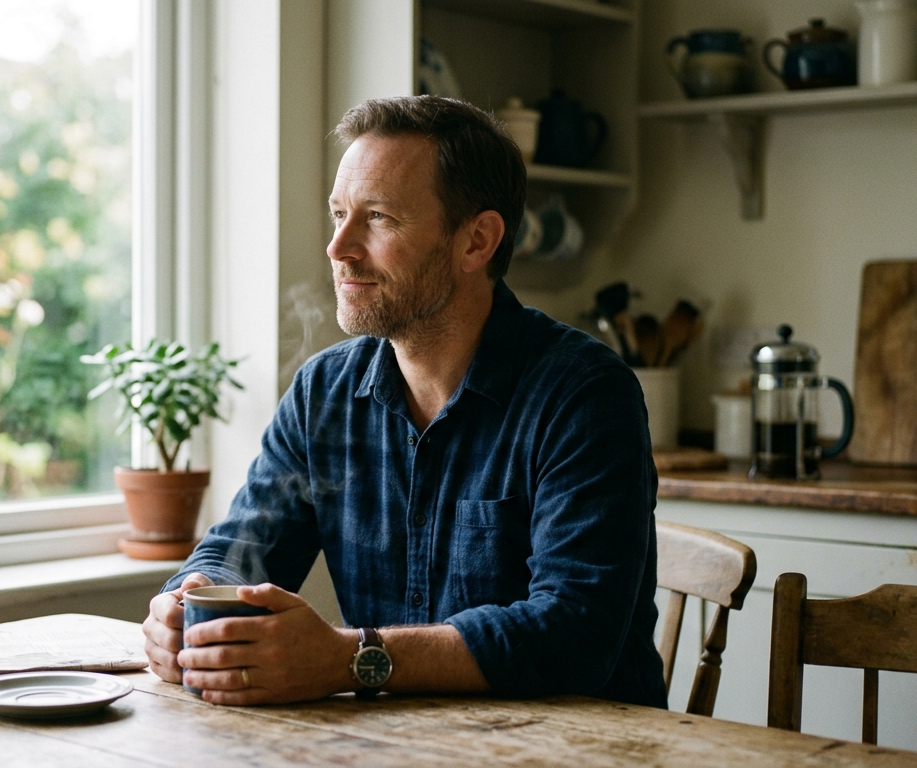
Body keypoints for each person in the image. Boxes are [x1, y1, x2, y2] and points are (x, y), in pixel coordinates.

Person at [142, 95, 665, 708]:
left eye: (379, 218)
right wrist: (186, 601)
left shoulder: (583, 392)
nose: (339, 248)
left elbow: (575, 633)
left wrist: (350, 656)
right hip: (398, 745)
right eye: (337, 214)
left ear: (477, 242)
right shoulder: (323, 394)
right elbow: (239, 551)